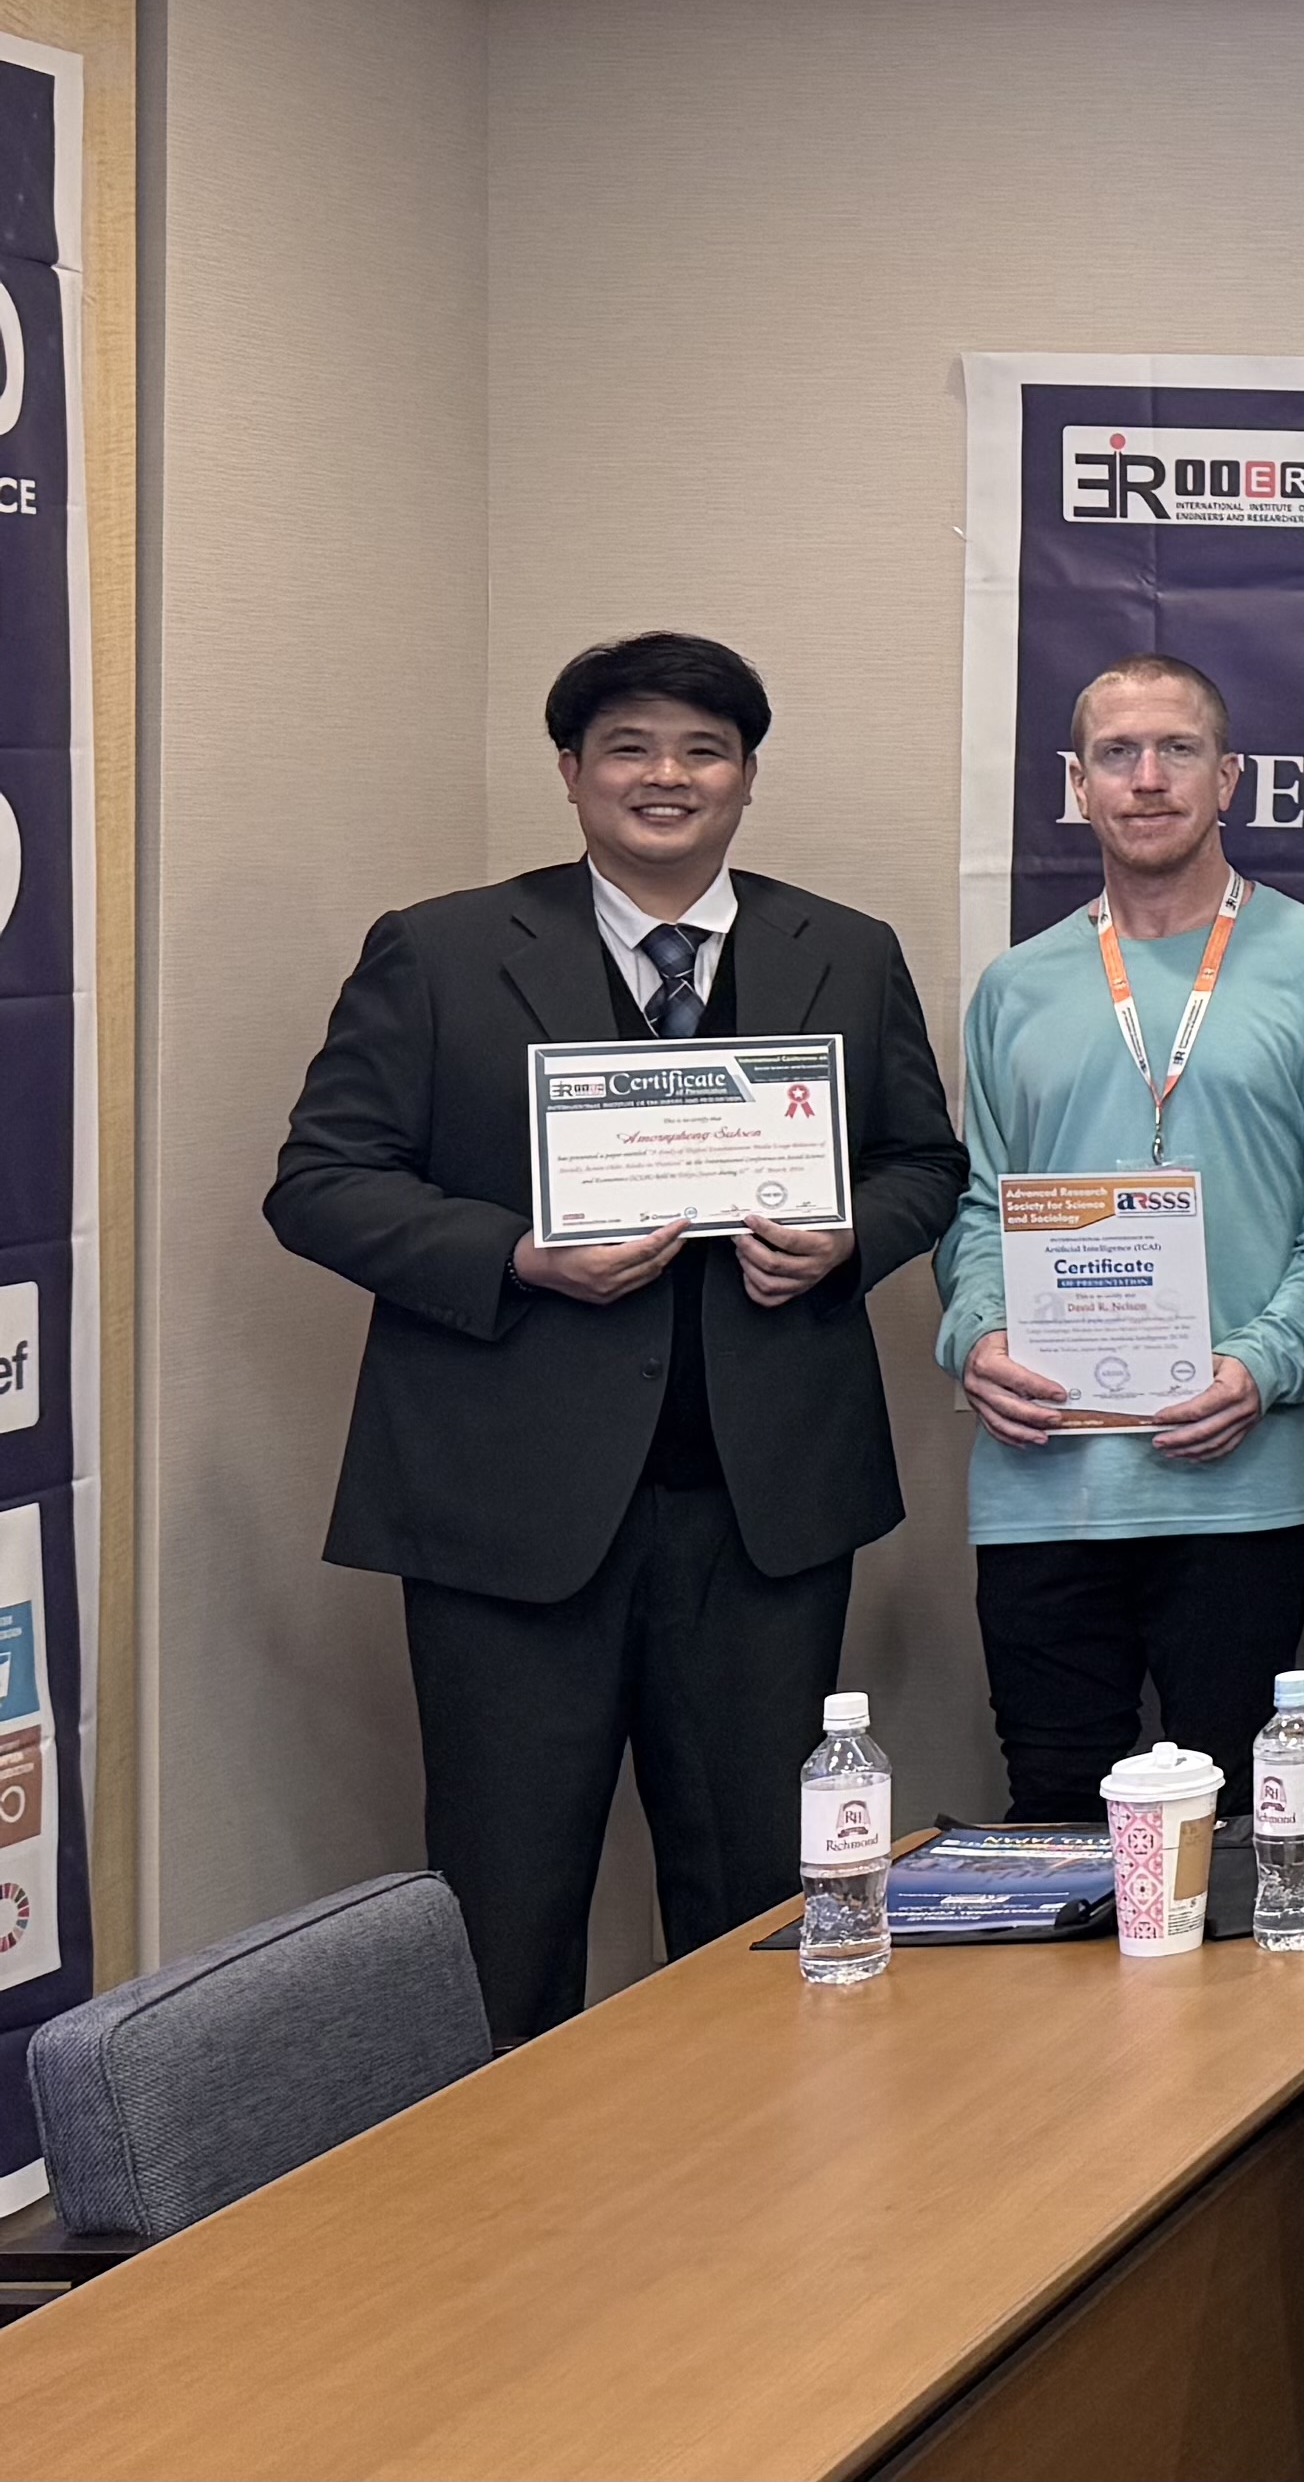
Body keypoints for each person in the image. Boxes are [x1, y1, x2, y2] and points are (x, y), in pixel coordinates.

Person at [266, 632, 964, 2042]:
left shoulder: (844, 948)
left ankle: (758, 2161)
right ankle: (503, 2172)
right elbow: (319, 1181)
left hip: (761, 1512)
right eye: (630, 747)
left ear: (747, 777)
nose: (667, 776)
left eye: (704, 749)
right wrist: (517, 1253)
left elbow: (924, 1162)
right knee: (507, 1899)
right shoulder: (442, 949)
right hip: (508, 1513)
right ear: (571, 771)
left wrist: (847, 1237)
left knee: (765, 1901)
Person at [937, 654, 1304, 1825]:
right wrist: (977, 1337)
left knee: (1229, 1822)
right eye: (1117, 754)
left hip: (1242, 1467)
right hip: (1046, 1469)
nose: (1147, 778)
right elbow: (981, 1207)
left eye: (1178, 750)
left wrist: (1261, 1365)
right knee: (1050, 1807)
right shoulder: (1016, 985)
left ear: (1226, 779)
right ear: (1076, 784)